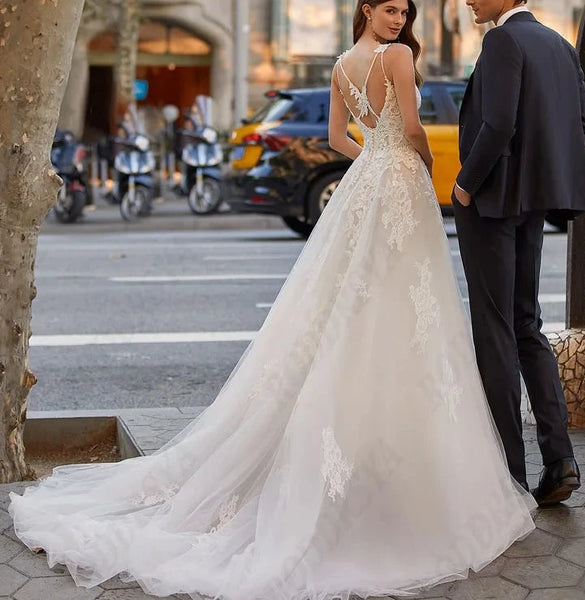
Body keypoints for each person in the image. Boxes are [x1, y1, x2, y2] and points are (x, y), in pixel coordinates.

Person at [9, 1, 535, 598]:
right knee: (406, 306)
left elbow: (339, 136)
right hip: (401, 187)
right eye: (391, 8)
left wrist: (371, 164)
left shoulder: (341, 63)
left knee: (362, 304)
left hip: (366, 186)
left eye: (404, 12)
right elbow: (413, 128)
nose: (398, 19)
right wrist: (416, 160)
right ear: (367, 7)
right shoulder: (398, 58)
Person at [452, 0, 585, 506]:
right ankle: (560, 461)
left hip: (491, 202)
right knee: (527, 325)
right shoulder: (560, 45)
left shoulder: (501, 40)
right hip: (532, 202)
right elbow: (582, 127)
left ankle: (507, 478)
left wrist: (464, 188)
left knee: (494, 332)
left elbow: (497, 124)